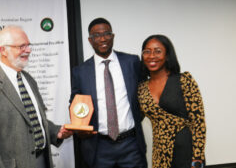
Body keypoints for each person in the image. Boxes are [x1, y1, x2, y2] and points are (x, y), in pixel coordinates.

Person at [0, 25, 73, 168]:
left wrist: (56, 132)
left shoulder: (29, 79)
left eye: (28, 45)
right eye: (21, 46)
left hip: (43, 160)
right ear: (3, 50)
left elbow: (32, 119)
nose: (28, 50)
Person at [70, 17, 147, 168]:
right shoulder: (80, 72)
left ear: (112, 36)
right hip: (99, 147)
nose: (102, 38)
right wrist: (80, 128)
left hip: (130, 144)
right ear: (90, 40)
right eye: (96, 35)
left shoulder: (131, 62)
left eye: (106, 33)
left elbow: (144, 93)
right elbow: (75, 104)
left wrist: (138, 115)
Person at [137, 34, 206, 168]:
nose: (151, 56)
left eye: (158, 51)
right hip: (160, 155)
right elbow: (134, 117)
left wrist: (197, 157)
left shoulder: (184, 80)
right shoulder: (141, 89)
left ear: (167, 55)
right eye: (147, 51)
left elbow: (199, 123)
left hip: (187, 152)